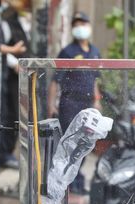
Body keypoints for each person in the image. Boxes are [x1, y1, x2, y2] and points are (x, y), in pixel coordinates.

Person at [47, 11, 102, 193]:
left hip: (87, 103)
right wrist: (51, 104)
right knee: (69, 143)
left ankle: (77, 180)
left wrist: (97, 100)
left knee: (85, 143)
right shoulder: (67, 52)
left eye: (83, 23)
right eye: (76, 24)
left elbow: (95, 80)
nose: (80, 28)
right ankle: (65, 183)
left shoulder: (95, 52)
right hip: (70, 103)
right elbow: (56, 80)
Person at [0, 0, 31, 169]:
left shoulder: (23, 23)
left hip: (22, 77)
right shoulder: (5, 22)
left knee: (18, 114)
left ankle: (9, 151)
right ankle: (4, 153)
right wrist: (14, 64)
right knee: (9, 114)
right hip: (11, 76)